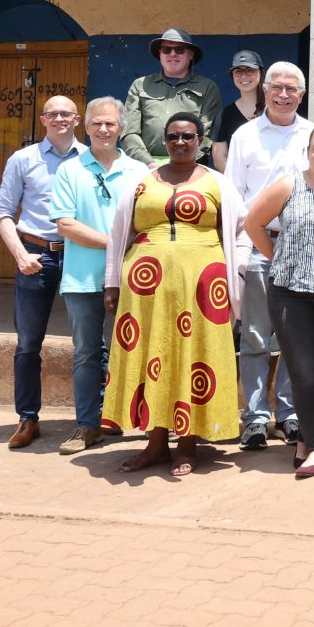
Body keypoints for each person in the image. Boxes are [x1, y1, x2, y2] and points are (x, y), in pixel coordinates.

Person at [102, 111, 246, 476]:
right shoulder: (141, 182)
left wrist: (236, 275)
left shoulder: (218, 183)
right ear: (164, 142)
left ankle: (187, 445)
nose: (180, 142)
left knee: (194, 356)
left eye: (187, 136)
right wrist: (112, 283)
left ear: (201, 141)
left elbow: (241, 231)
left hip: (202, 289)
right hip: (145, 290)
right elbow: (118, 234)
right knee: (153, 355)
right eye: (173, 137)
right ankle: (155, 444)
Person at [244, 124, 314, 478]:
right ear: (307, 152)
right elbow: (253, 224)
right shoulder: (288, 185)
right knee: (303, 369)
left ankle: (306, 439)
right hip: (290, 293)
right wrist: (278, 257)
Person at [224, 62, 314, 451]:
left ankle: (290, 414)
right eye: (276, 87)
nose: (283, 94)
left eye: (291, 89)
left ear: (302, 94)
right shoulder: (245, 136)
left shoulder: (312, 135)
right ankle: (256, 418)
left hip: (301, 247)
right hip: (257, 243)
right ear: (264, 90)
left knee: (296, 336)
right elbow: (232, 196)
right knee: (256, 335)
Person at [48, 96, 145, 455]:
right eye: (97, 123)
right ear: (86, 127)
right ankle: (88, 425)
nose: (103, 129)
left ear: (121, 128)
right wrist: (114, 243)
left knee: (136, 350)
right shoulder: (70, 170)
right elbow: (65, 224)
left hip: (133, 278)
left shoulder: (139, 172)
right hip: (82, 279)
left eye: (110, 124)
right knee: (87, 354)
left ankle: (138, 421)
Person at [0, 94, 85, 449]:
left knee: (90, 342)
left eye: (66, 114)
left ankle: (93, 418)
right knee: (29, 342)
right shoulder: (23, 159)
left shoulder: (90, 159)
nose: (60, 119)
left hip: (79, 254)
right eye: (53, 114)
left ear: (77, 119)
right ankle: (27, 417)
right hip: (36, 254)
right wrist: (20, 254)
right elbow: (3, 212)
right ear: (43, 120)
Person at [121, 28, 223, 164]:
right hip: (145, 167)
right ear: (160, 54)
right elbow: (129, 132)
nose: (173, 54)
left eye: (180, 50)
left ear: (191, 54)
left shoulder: (207, 87)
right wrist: (148, 163)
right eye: (166, 49)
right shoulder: (140, 85)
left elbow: (207, 134)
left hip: (190, 167)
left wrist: (181, 164)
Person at [211, 50, 265, 171]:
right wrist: (240, 180)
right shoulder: (224, 115)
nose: (244, 76)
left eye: (250, 70)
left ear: (260, 73)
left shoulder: (274, 110)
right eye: (238, 71)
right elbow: (219, 160)